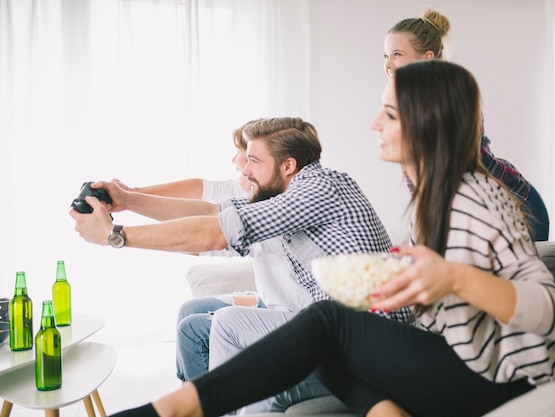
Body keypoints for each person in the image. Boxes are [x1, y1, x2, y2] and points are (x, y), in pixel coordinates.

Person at [106, 60, 555, 417]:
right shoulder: (431, 197)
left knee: (327, 323)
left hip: (506, 381)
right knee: (314, 337)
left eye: (388, 113)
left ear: (426, 122)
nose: (374, 123)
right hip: (459, 361)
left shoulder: (474, 197)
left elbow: (552, 312)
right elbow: (213, 211)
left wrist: (452, 278)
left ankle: (173, 408)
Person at [70, 117, 413, 410]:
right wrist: (127, 200)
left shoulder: (320, 188)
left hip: (367, 344)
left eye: (253, 160)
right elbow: (211, 214)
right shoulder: (284, 199)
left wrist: (115, 235)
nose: (244, 170)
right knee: (215, 323)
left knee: (230, 323)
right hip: (333, 336)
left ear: (288, 165)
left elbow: (216, 231)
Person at [383, 6, 550, 241]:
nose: (388, 64)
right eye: (386, 55)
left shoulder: (452, 97)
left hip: (518, 207)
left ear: (427, 58)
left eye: (397, 54)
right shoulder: (406, 106)